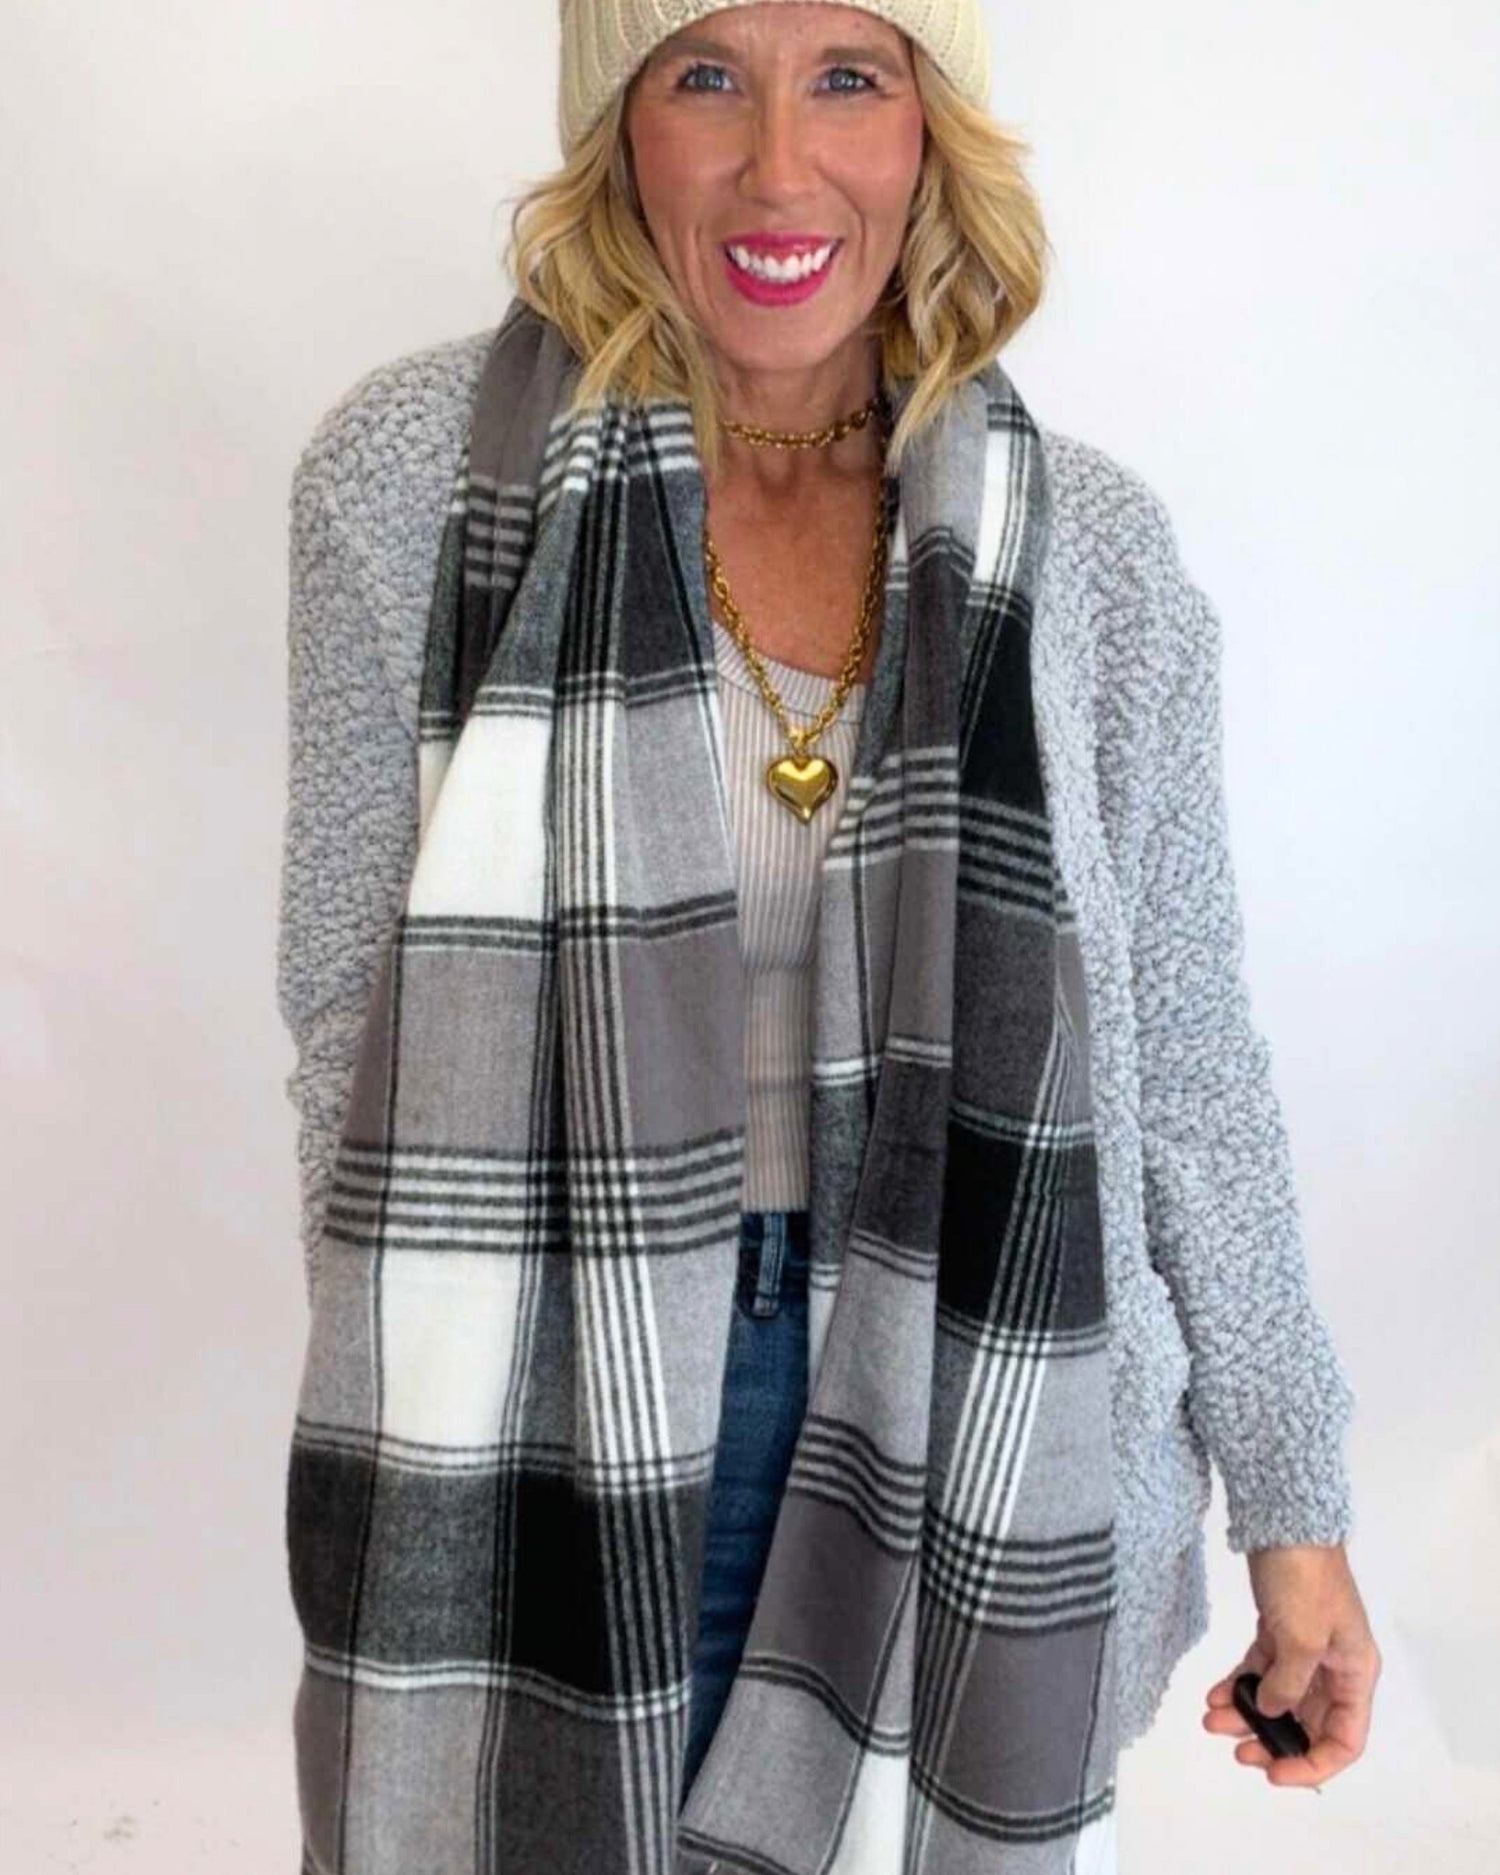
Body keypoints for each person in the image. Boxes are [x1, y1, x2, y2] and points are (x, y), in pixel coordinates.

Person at [276, 5, 1380, 1870]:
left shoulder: (1088, 552)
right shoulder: (420, 485)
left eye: (849, 78)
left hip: (974, 1386)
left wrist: (1296, 1503)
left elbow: (1190, 1056)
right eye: (706, 74)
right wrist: (430, 1381)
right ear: (618, 125)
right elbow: (341, 996)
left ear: (931, 129)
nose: (778, 167)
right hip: (549, 1403)